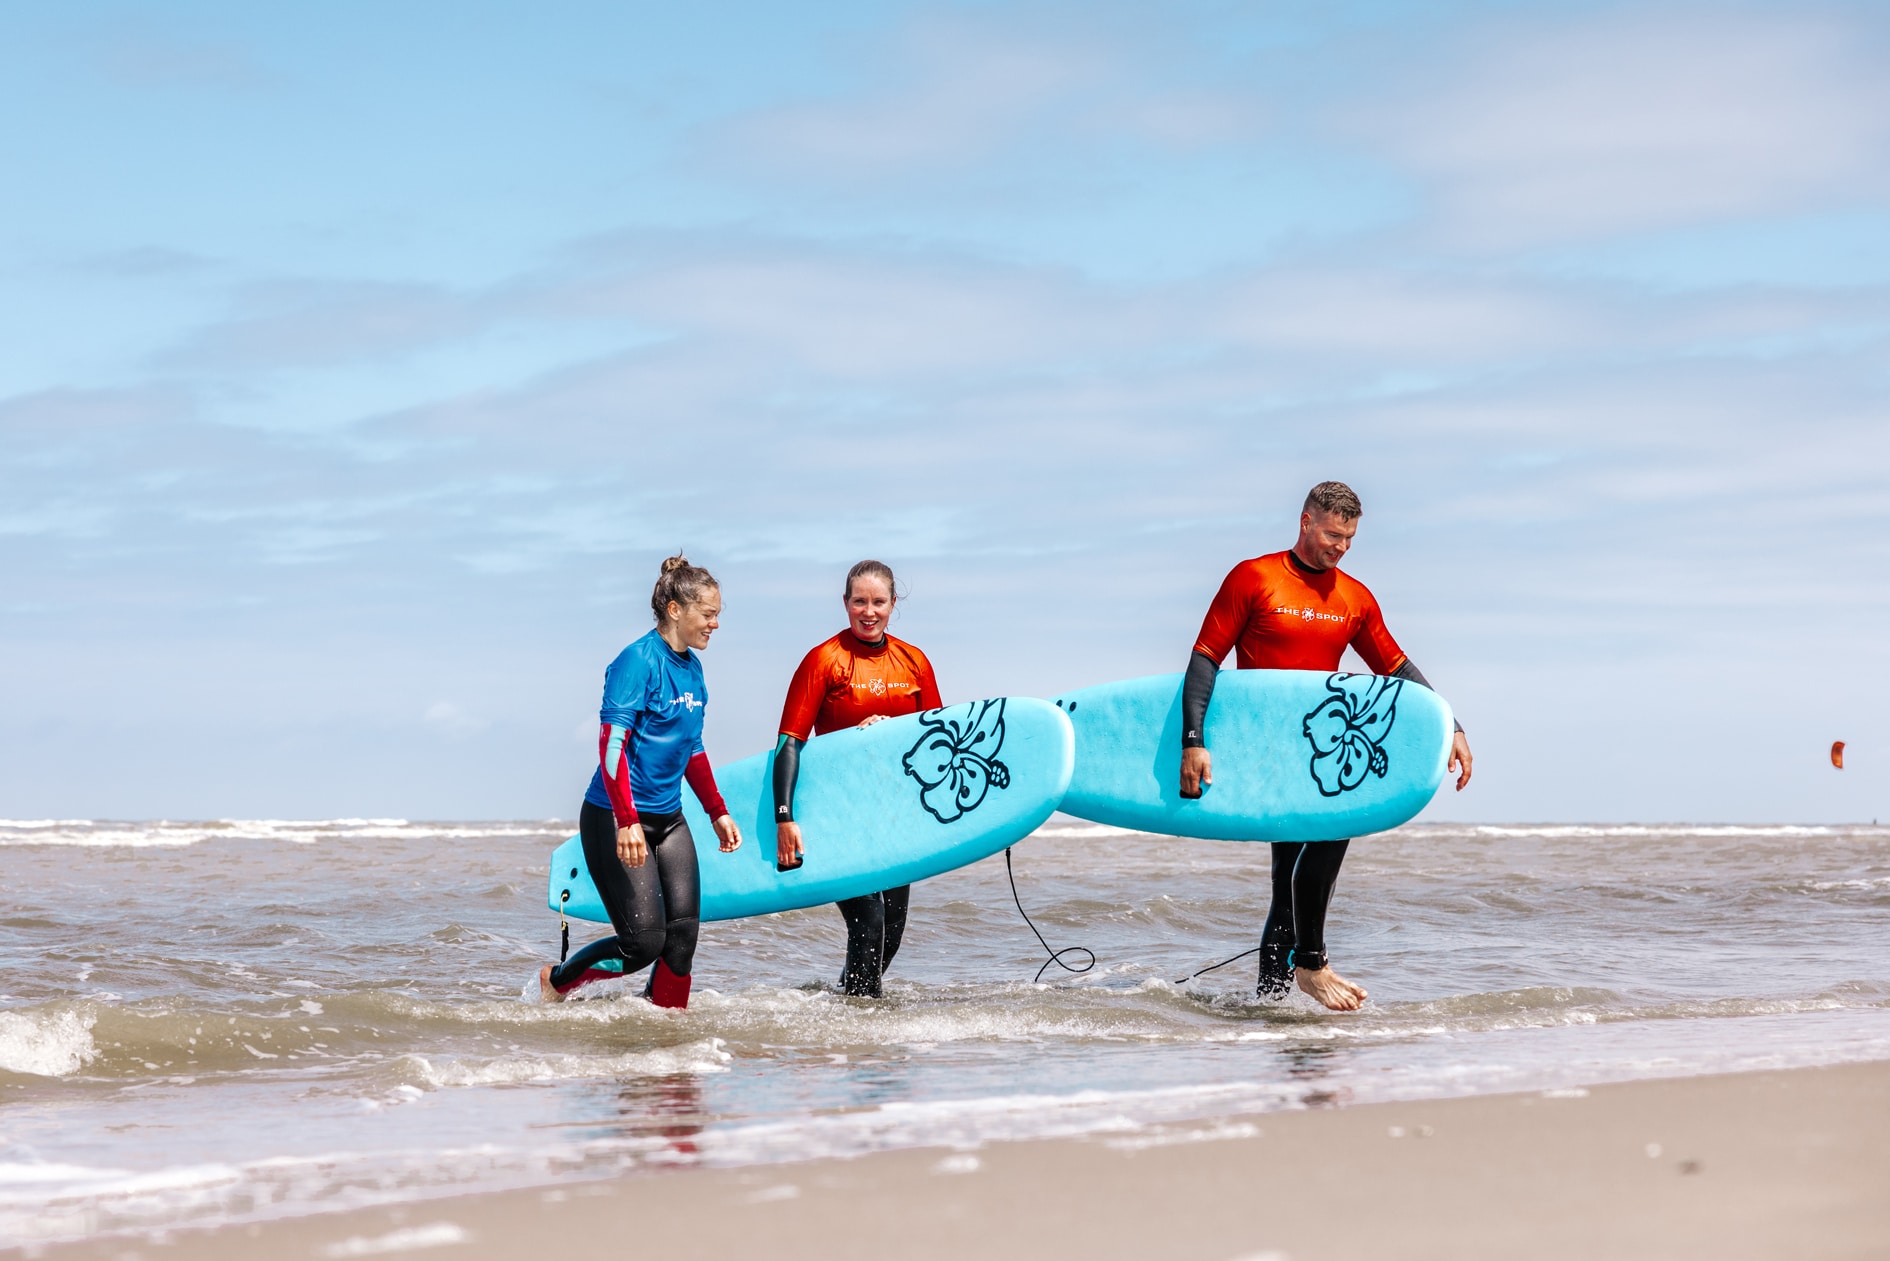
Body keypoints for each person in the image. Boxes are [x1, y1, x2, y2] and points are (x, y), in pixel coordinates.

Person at [1180, 482, 1472, 1012]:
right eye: (1334, 535)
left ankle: (1272, 1006)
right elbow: (1206, 658)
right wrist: (1193, 741)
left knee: (1286, 878)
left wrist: (1451, 723)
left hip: (1320, 751)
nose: (1341, 547)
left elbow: (1397, 668)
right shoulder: (1254, 577)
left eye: (1350, 538)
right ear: (1306, 521)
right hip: (1269, 750)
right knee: (1332, 829)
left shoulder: (1354, 597)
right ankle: (1311, 964)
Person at [538, 554, 743, 1007]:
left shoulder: (693, 668)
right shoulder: (636, 662)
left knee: (683, 935)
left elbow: (691, 747)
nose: (715, 625)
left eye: (718, 616)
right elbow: (611, 749)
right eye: (708, 615)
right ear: (676, 610)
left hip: (668, 819)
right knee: (642, 943)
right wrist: (627, 820)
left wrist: (717, 811)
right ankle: (556, 983)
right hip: (614, 816)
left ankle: (664, 1028)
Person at [773, 560, 942, 997]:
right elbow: (789, 743)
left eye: (878, 602)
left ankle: (848, 1004)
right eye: (859, 601)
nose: (869, 611)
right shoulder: (824, 660)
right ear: (845, 603)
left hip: (895, 814)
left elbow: (937, 739)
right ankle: (864, 1025)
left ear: (893, 603)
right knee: (868, 918)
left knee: (892, 927)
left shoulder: (914, 662)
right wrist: (785, 816)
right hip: (839, 812)